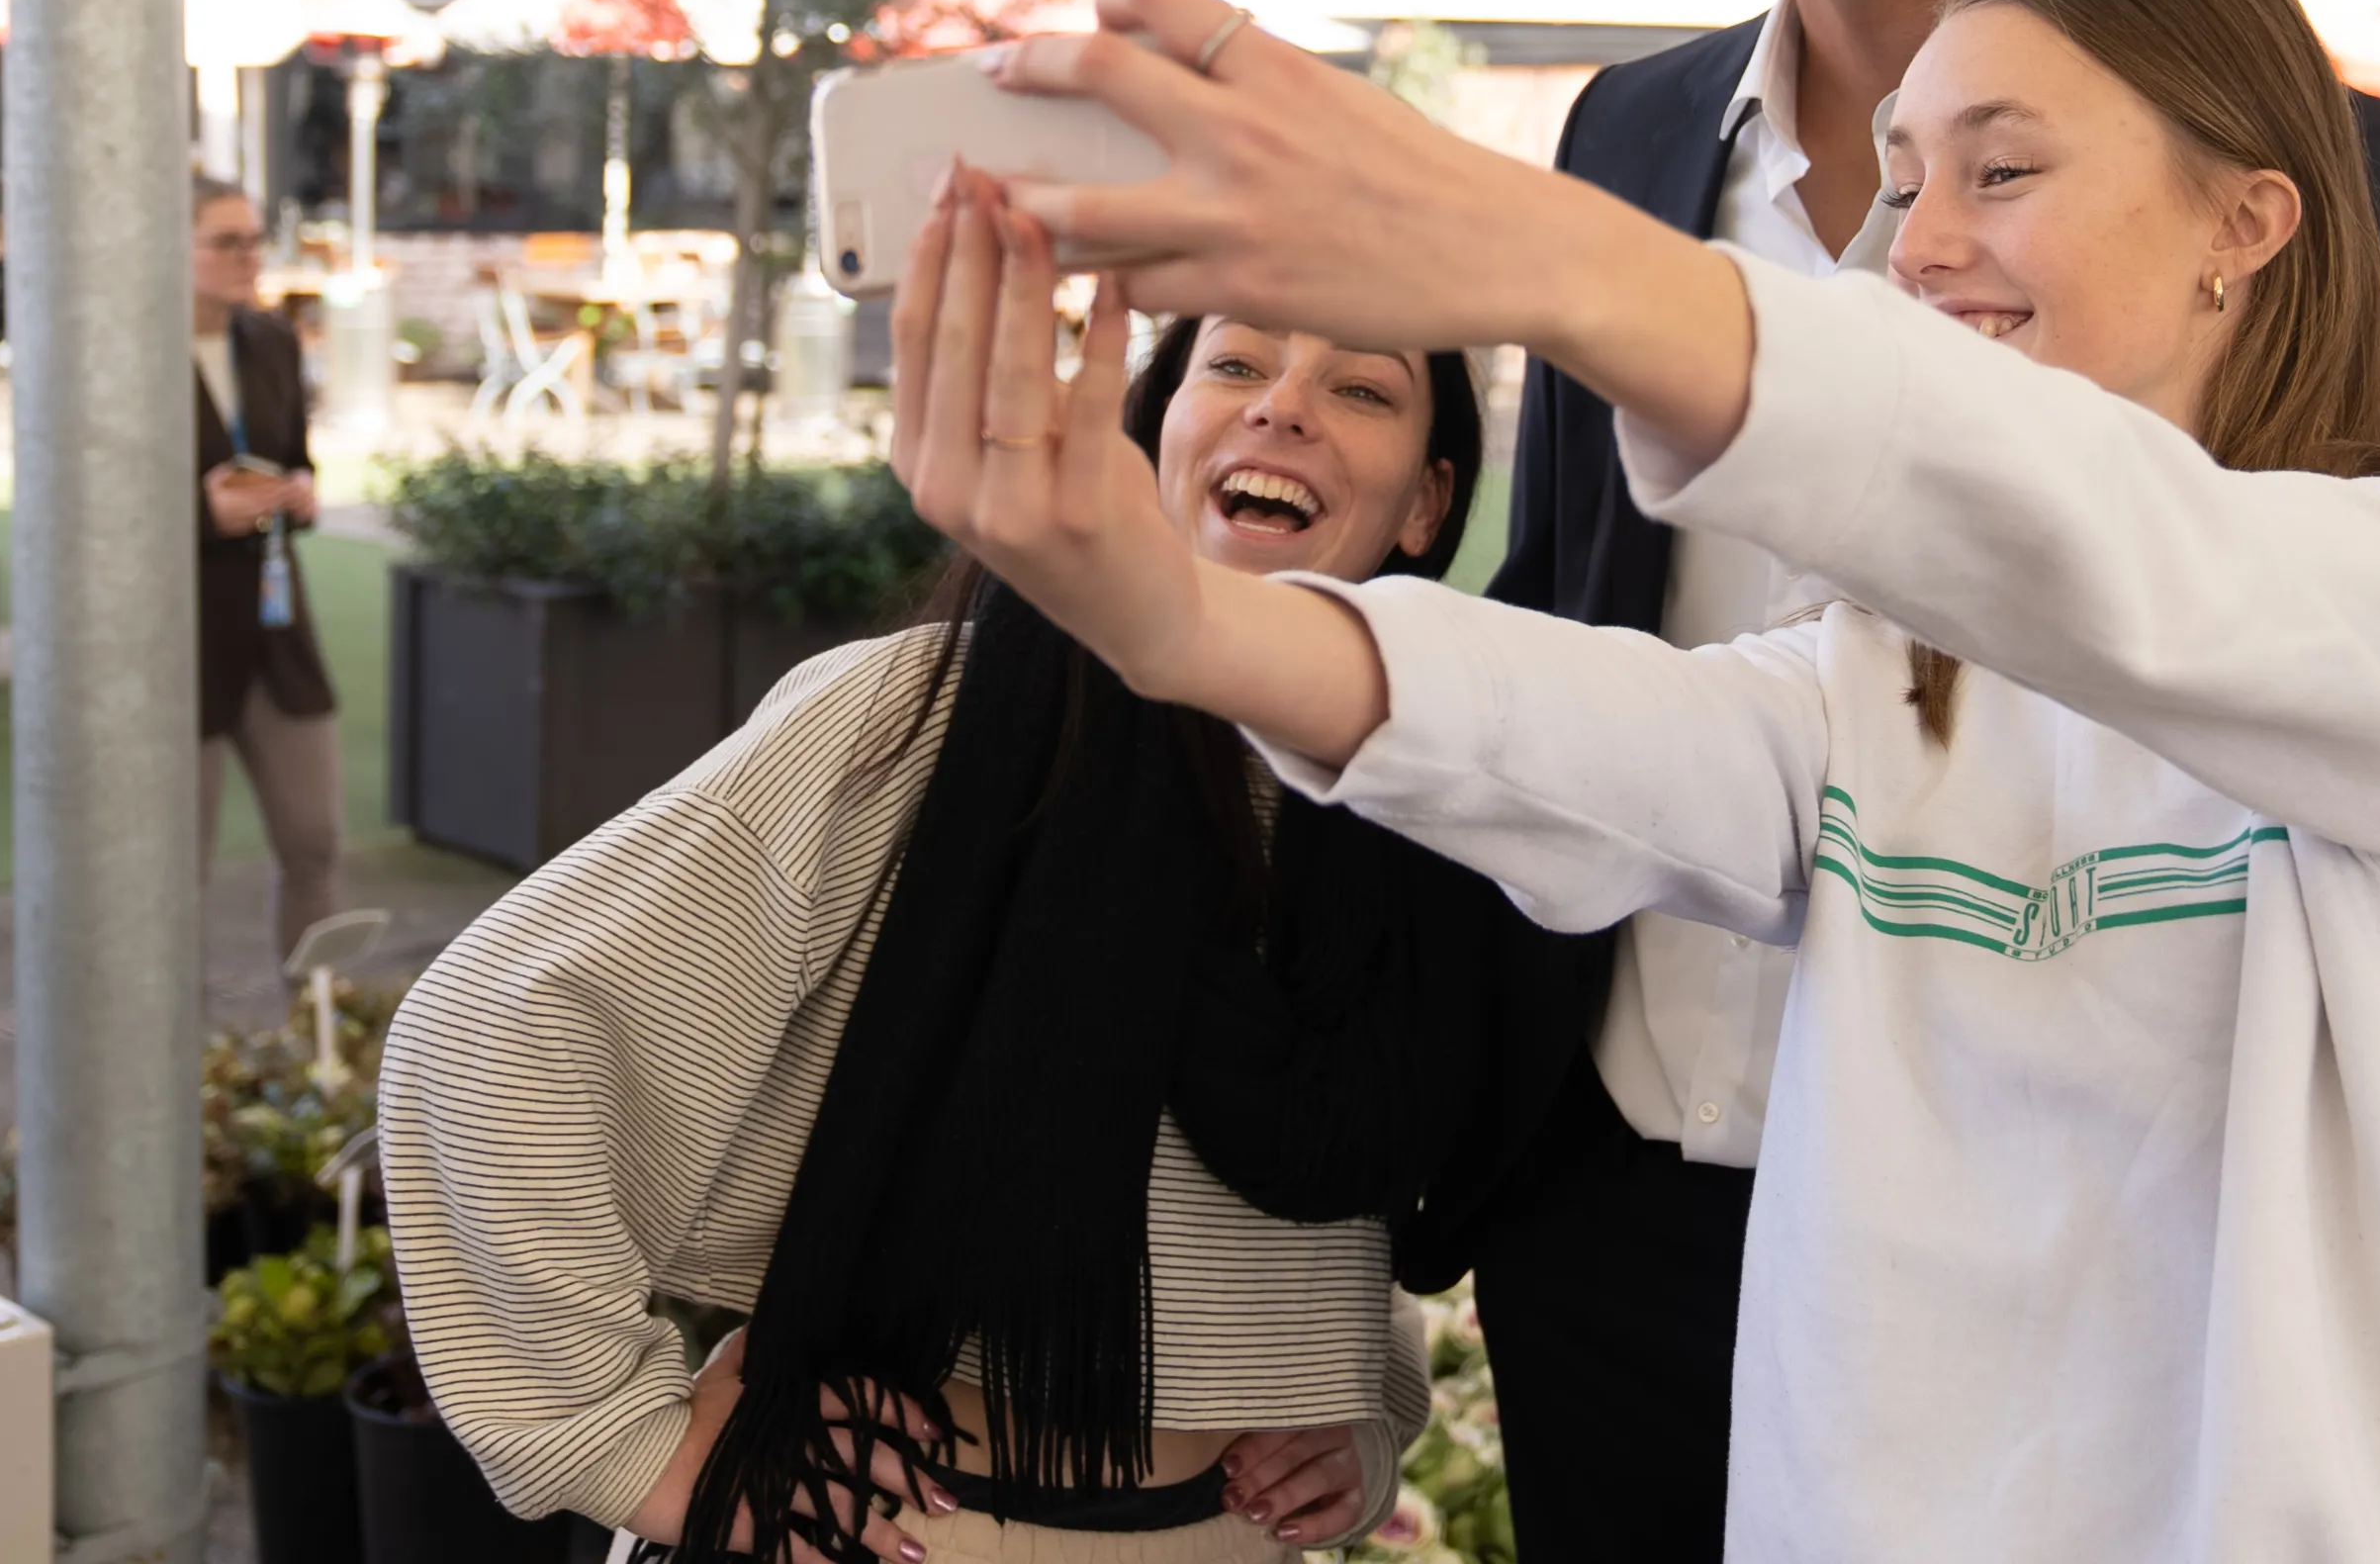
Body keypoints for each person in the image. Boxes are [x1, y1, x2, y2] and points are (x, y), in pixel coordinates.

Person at [890, 0, 2380, 1561]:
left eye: (2002, 168)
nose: (1918, 246)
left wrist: (1534, 257)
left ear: (2251, 221)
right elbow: (1580, 729)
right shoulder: (1894, 679)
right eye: (1904, 182)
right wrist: (1175, 615)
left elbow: (2128, 556)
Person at [1474, 0, 2380, 1556]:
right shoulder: (1629, 146)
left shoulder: (2258, 156)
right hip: (1626, 1188)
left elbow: (2366, 653)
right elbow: (1573, 612)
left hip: (2060, 1199)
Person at [377, 311, 1594, 1564]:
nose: (1281, 405)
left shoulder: (1422, 817)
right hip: (897, 1528)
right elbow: (491, 1034)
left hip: (1223, 1540)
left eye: (1361, 389)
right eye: (1233, 363)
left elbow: (1360, 1170)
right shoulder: (932, 719)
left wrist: (1357, 1408)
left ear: (1426, 500)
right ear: (1151, 438)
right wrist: (622, 1447)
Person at [190, 173, 344, 963]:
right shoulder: (121, 358)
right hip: (178, 639)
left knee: (315, 841)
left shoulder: (272, 339)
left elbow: (291, 457)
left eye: (254, 238)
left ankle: (317, 1048)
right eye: (227, 241)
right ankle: (166, 1066)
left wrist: (298, 490)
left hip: (277, 623)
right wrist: (197, 513)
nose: (250, 255)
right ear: (171, 249)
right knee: (176, 870)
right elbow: (88, 507)